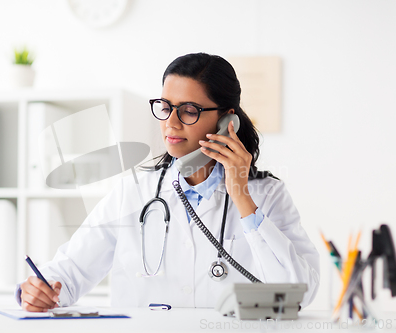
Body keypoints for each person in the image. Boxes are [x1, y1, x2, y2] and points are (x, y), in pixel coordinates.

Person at [16, 53, 320, 312]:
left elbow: (298, 294)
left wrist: (241, 196)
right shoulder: (132, 192)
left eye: (189, 110)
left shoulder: (267, 195)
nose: (171, 122)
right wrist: (38, 291)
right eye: (165, 106)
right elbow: (69, 272)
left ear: (228, 121)